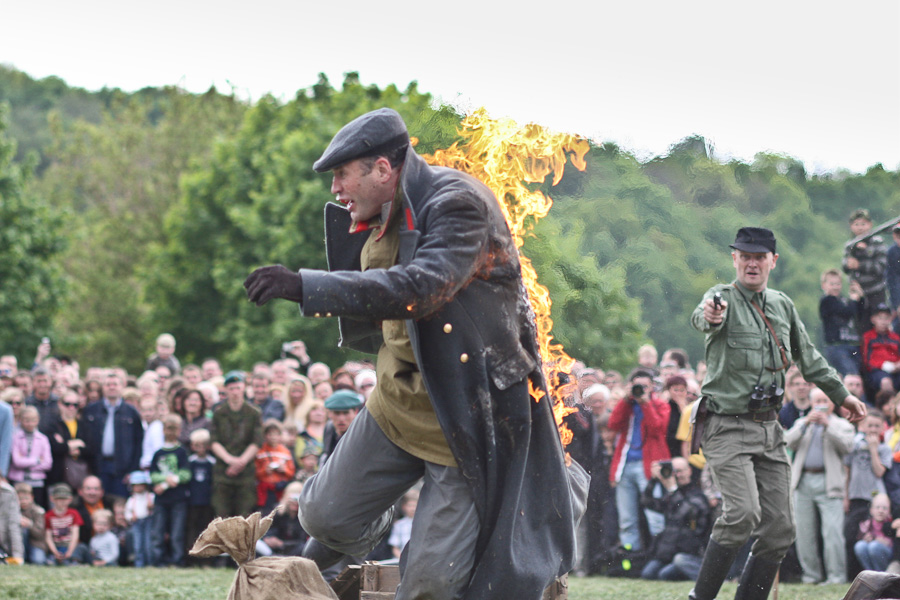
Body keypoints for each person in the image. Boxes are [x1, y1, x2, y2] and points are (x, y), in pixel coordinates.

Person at [243, 108, 583, 599]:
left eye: (342, 174)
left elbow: (421, 288)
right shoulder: (377, 208)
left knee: (429, 585)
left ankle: (549, 499)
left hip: (462, 421)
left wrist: (305, 286)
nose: (335, 189)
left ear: (383, 169)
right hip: (396, 404)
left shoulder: (460, 204)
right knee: (323, 515)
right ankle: (372, 523)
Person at [689, 226, 866, 600]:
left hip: (770, 429)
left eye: (759, 257)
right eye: (745, 256)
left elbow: (809, 358)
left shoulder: (782, 305)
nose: (752, 263)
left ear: (773, 261)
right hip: (726, 426)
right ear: (734, 259)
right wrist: (711, 315)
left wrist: (842, 396)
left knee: (781, 529)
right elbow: (704, 316)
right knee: (742, 515)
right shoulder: (721, 298)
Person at [784, 387, 855, 584]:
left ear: (832, 404)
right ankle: (811, 575)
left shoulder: (841, 424)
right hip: (803, 481)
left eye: (825, 401)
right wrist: (806, 423)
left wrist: (827, 426)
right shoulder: (802, 423)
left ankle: (836, 576)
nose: (821, 405)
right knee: (804, 532)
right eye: (817, 401)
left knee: (832, 532)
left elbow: (847, 446)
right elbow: (787, 442)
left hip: (829, 482)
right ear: (811, 403)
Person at [608, 369, 671, 552]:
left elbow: (657, 428)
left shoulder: (660, 405)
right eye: (637, 386)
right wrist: (625, 400)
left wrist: (645, 403)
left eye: (645, 386)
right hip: (625, 465)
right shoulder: (627, 405)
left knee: (654, 515)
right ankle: (630, 555)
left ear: (652, 387)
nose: (641, 389)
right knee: (627, 518)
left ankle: (659, 554)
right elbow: (613, 424)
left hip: (649, 467)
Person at [639, 457, 711, 581]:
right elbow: (646, 502)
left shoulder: (698, 495)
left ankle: (704, 577)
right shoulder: (671, 496)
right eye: (673, 471)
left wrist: (673, 489)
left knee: (665, 574)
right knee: (648, 574)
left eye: (680, 471)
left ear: (689, 471)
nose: (677, 475)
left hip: (689, 553)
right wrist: (654, 480)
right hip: (669, 553)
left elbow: (687, 512)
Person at [80, 371, 144, 498]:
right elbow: (85, 438)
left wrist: (132, 470)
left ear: (122, 386)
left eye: (115, 384)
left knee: (119, 501)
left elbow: (138, 443)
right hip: (98, 466)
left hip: (122, 468)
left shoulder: (131, 412)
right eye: (108, 384)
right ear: (103, 387)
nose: (112, 387)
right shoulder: (91, 410)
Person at [209, 371, 262, 518]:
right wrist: (230, 460)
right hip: (223, 471)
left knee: (244, 516)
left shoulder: (254, 413)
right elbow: (214, 441)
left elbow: (256, 441)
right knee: (221, 516)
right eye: (231, 388)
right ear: (226, 390)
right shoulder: (219, 413)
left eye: (238, 388)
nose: (235, 392)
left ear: (244, 388)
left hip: (246, 472)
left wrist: (241, 462)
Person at [149, 413, 190, 566]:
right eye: (169, 428)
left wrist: (165, 484)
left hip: (178, 499)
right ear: (163, 430)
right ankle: (158, 561)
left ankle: (177, 561)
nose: (171, 432)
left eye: (174, 428)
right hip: (161, 500)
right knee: (158, 532)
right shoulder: (158, 453)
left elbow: (186, 474)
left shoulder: (182, 452)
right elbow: (153, 475)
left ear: (179, 430)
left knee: (176, 533)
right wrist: (167, 480)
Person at [844, 208, 888, 329]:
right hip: (857, 293)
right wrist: (851, 261)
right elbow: (845, 266)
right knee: (860, 326)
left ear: (870, 224)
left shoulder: (877, 242)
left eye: (863, 224)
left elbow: (880, 267)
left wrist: (861, 262)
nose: (860, 228)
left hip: (875, 292)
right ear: (851, 226)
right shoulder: (850, 244)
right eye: (856, 224)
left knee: (878, 326)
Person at [820, 269, 863, 376]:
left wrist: (860, 296)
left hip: (852, 344)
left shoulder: (843, 300)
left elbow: (858, 312)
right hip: (837, 347)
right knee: (851, 375)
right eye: (832, 284)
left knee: (858, 376)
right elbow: (846, 312)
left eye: (838, 284)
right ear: (823, 285)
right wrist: (853, 300)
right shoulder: (827, 301)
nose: (835, 287)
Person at [44, 482, 90, 565]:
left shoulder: (74, 514)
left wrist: (70, 551)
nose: (62, 502)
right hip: (57, 546)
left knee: (81, 547)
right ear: (52, 498)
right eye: (59, 499)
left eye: (64, 499)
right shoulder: (48, 515)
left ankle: (73, 560)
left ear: (70, 499)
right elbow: (48, 537)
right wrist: (55, 552)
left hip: (70, 546)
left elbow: (75, 535)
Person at [862, 303, 900, 393]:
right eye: (880, 318)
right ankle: (888, 402)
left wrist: (897, 365)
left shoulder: (896, 338)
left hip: (896, 370)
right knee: (886, 382)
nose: (883, 322)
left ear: (890, 319)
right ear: (873, 319)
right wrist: (882, 365)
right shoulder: (868, 337)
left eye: (886, 318)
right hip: (876, 372)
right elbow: (866, 361)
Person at [854, 492, 894, 572]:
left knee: (874, 546)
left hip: (888, 554)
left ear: (889, 511)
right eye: (877, 507)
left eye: (884, 508)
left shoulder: (891, 523)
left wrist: (885, 542)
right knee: (860, 545)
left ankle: (881, 574)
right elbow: (860, 537)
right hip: (872, 550)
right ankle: (870, 573)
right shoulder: (867, 524)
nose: (880, 511)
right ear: (871, 510)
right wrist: (866, 538)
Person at [124, 470, 154, 567]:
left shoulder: (151, 497)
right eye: (136, 485)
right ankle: (139, 564)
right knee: (137, 544)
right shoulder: (131, 500)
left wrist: (152, 507)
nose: (138, 487)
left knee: (148, 544)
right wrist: (130, 517)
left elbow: (156, 512)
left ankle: (150, 563)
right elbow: (127, 513)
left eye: (141, 485)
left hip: (148, 522)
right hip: (137, 523)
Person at [15, 482, 47, 564]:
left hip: (36, 544)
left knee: (38, 561)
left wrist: (30, 525)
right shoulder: (13, 511)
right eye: (20, 499)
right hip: (17, 544)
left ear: (32, 497)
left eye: (26, 498)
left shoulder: (39, 511)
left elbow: (41, 534)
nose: (23, 501)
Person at [389, 488, 419, 559]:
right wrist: (402, 559)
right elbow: (395, 547)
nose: (412, 509)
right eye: (410, 506)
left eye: (415, 505)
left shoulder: (424, 523)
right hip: (401, 559)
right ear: (404, 507)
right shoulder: (398, 525)